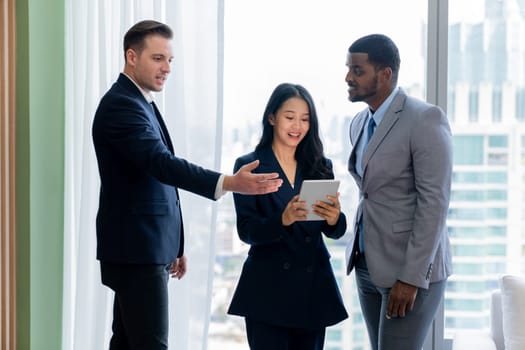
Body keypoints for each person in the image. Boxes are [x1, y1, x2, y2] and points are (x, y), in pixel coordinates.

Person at [92, 20, 283, 350]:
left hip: (145, 248)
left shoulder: (139, 102)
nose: (166, 68)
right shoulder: (123, 106)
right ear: (131, 56)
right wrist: (229, 182)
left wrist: (174, 245)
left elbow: (153, 181)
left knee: (126, 343)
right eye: (157, 58)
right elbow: (162, 165)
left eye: (170, 60)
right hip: (137, 251)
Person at [344, 34, 453, 350]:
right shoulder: (358, 123)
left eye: (358, 70)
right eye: (348, 69)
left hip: (410, 271)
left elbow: (434, 204)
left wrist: (411, 277)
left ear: (385, 74)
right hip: (368, 264)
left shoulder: (424, 119)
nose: (348, 78)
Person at [227, 83, 348, 350]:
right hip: (268, 290)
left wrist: (334, 218)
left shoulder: (320, 165)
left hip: (313, 289)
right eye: (289, 117)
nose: (298, 126)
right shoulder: (251, 166)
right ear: (272, 118)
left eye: (305, 119)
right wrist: (282, 219)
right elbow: (247, 231)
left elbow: (336, 231)